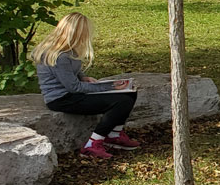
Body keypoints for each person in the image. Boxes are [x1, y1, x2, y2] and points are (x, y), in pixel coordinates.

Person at [31, 13, 140, 159]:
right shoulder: (59, 56)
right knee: (121, 101)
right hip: (62, 99)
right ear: (75, 33)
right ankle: (92, 144)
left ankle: (114, 135)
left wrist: (83, 77)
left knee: (130, 93)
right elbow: (74, 87)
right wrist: (110, 87)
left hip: (72, 94)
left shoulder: (68, 50)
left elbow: (73, 71)